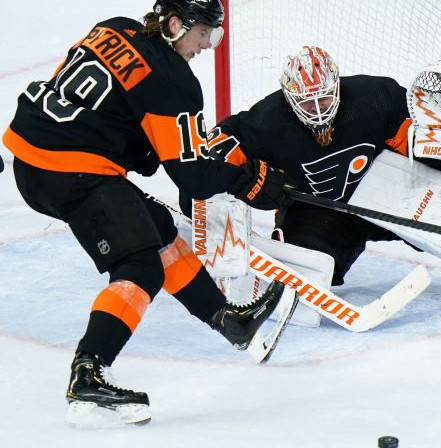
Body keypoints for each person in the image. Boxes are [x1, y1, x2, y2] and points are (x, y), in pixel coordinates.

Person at [1, 0, 291, 427]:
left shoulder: (114, 28)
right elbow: (191, 179)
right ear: (175, 25)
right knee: (139, 266)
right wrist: (249, 181)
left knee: (158, 231)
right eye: (204, 33)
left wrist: (137, 145)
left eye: (215, 35)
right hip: (72, 169)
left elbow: (89, 95)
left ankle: (228, 319)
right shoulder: (173, 81)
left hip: (34, 155)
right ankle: (89, 374)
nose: (207, 45)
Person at [198, 47, 441, 317]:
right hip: (320, 211)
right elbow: (213, 146)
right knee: (305, 290)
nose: (317, 109)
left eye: (324, 97)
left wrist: (437, 147)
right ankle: (277, 270)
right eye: (306, 103)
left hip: (388, 189)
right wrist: (251, 182)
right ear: (288, 97)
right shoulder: (268, 119)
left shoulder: (373, 95)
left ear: (336, 84)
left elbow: (416, 142)